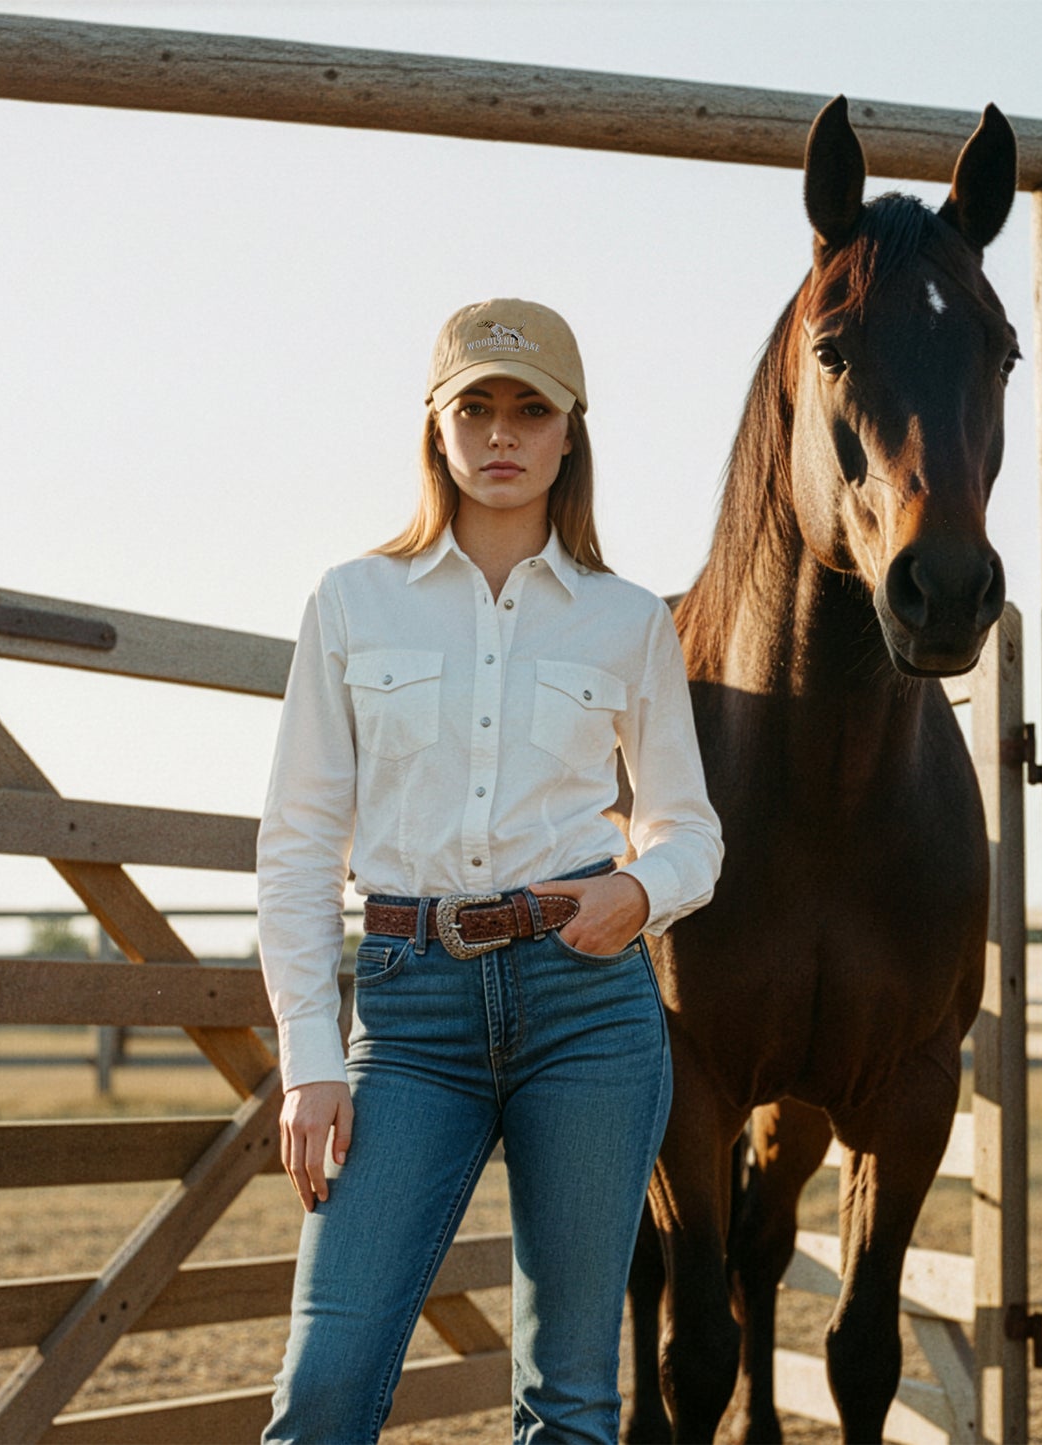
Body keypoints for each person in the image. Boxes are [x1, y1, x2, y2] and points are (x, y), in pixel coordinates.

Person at [257, 298, 723, 1445]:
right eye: (476, 406)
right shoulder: (350, 601)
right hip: (411, 1014)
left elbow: (692, 833)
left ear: (571, 434)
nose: (502, 433)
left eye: (530, 409)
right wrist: (311, 1059)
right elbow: (298, 842)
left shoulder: (628, 620)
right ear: (436, 425)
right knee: (322, 1387)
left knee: (568, 1399)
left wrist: (638, 891)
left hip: (588, 1007)